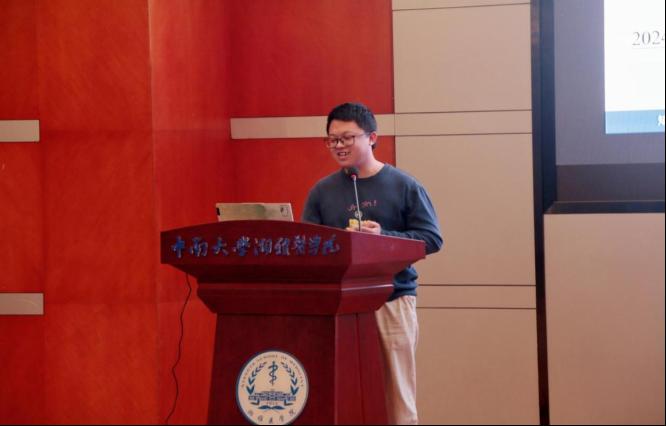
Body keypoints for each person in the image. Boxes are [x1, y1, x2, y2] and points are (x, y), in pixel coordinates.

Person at [302, 102, 443, 425]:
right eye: (332, 140)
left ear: (372, 137)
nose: (339, 146)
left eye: (347, 138)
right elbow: (309, 245)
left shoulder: (403, 185)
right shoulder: (322, 191)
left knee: (396, 396)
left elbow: (431, 239)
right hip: (338, 305)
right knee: (341, 394)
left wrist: (383, 236)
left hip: (391, 300)